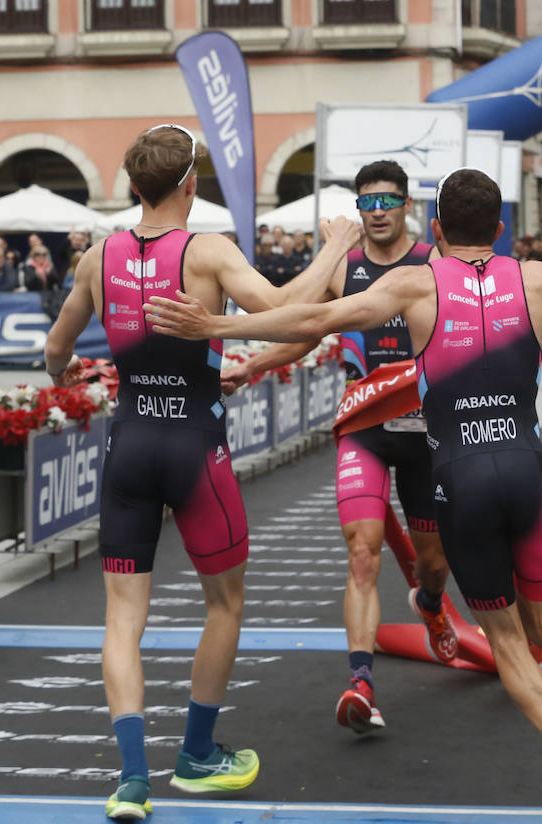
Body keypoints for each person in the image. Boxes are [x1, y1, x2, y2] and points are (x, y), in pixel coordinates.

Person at [145, 167, 542, 822]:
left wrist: (212, 330)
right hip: (527, 469)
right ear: (501, 228)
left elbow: (316, 316)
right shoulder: (536, 278)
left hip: (458, 476)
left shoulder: (414, 282)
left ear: (434, 229)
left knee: (507, 640)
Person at [42, 122, 363, 822]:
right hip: (193, 448)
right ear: (192, 184)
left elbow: (57, 346)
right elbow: (284, 312)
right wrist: (335, 247)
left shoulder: (99, 256)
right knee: (225, 603)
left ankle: (131, 780)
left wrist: (62, 366)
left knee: (122, 620)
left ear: (133, 185)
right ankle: (195, 755)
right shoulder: (208, 251)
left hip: (128, 446)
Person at [209, 160, 458, 737]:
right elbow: (305, 330)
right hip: (363, 429)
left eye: (386, 203)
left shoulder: (435, 265)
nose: (376, 214)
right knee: (363, 554)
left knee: (434, 564)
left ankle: (430, 603)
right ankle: (362, 684)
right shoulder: (343, 267)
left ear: (406, 205)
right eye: (366, 204)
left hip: (427, 438)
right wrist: (253, 368)